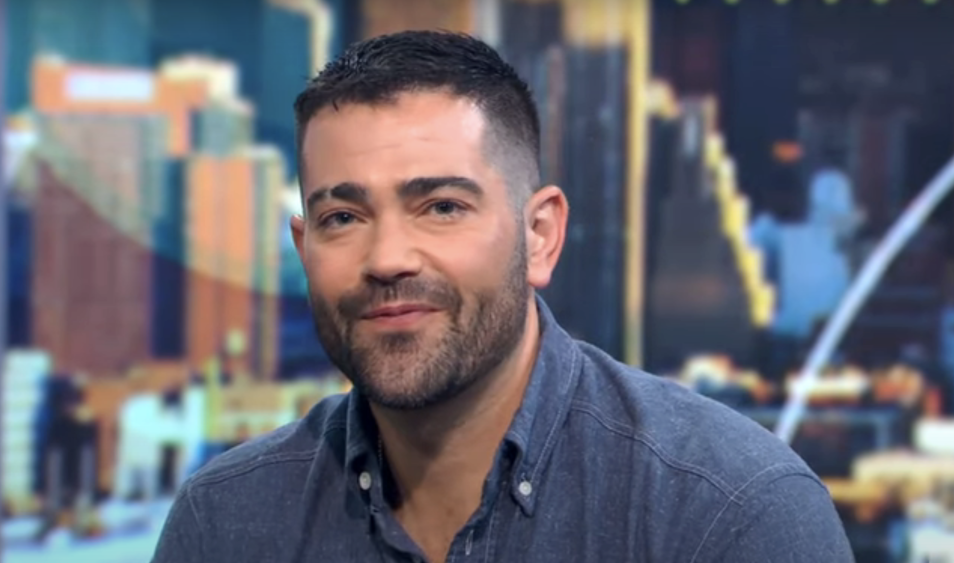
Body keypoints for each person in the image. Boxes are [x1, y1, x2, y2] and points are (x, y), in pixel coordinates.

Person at [151, 30, 854, 563]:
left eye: (442, 206)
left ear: (540, 236)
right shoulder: (226, 522)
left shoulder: (728, 514)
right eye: (343, 218)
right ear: (305, 251)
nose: (388, 257)